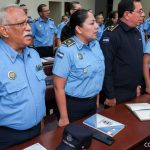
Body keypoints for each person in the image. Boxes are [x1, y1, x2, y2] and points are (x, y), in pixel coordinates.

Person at [0, 5, 46, 149]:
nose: (28, 28)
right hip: (8, 137)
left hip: (38, 129)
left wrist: (40, 119)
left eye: (28, 22)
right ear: (4, 31)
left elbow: (39, 91)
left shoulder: (34, 55)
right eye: (21, 24)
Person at [53, 9, 105, 127]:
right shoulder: (66, 50)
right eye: (92, 23)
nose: (97, 26)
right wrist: (64, 117)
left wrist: (96, 101)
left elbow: (96, 75)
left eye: (96, 22)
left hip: (92, 103)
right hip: (73, 106)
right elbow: (58, 87)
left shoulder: (95, 44)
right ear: (79, 29)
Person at [100, 0, 145, 107]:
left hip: (134, 91)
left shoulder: (136, 32)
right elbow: (106, 67)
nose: (143, 14)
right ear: (127, 14)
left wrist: (139, 85)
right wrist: (110, 95)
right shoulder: (112, 34)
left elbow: (137, 61)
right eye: (139, 11)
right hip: (117, 94)